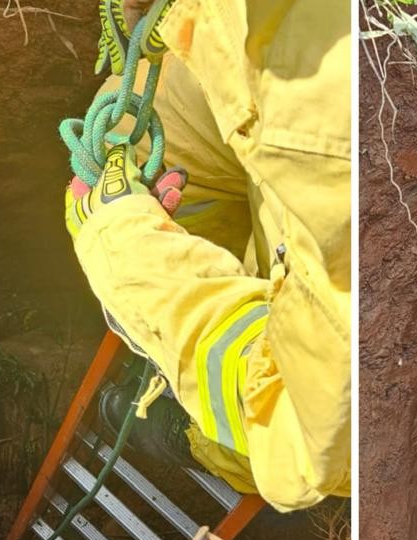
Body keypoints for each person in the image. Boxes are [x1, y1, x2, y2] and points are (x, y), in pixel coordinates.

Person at [64, 0, 351, 512]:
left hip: (329, 173)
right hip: (267, 59)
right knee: (123, 122)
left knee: (268, 435)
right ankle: (182, 324)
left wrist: (128, 253)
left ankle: (202, 441)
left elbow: (305, 418)